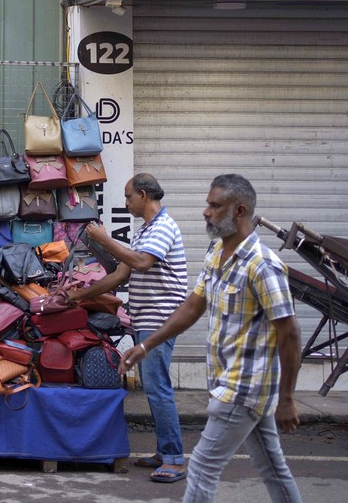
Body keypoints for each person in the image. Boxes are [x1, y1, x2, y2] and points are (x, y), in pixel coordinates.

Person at [120, 174, 303, 503]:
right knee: (274, 469)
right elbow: (191, 308)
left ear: (240, 211)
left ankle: (173, 459)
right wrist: (146, 344)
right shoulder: (217, 253)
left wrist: (287, 397)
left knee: (202, 466)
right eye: (208, 203)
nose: (206, 211)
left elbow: (289, 333)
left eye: (215, 205)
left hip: (244, 388)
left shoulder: (262, 265)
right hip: (229, 382)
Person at [69, 173, 188, 483]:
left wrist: (105, 239)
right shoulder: (145, 230)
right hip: (147, 319)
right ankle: (165, 451)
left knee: (158, 387)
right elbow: (121, 275)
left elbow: (141, 263)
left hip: (160, 319)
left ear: (144, 195)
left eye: (128, 197)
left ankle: (174, 459)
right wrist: (80, 295)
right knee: (153, 386)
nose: (126, 203)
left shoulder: (162, 227)